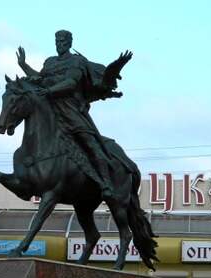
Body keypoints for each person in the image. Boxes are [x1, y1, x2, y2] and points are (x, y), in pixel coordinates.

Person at [16, 30, 134, 201]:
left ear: (70, 43)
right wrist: (23, 65)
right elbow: (39, 78)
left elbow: (71, 83)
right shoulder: (50, 62)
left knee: (91, 144)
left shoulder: (76, 61)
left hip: (72, 111)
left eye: (63, 41)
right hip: (52, 111)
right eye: (57, 41)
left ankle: (106, 183)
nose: (59, 44)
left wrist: (49, 90)